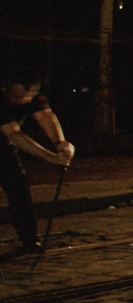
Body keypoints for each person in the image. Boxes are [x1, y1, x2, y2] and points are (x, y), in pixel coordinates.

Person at [0, 67, 74, 255]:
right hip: (6, 137)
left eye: (27, 98)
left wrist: (60, 143)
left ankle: (29, 240)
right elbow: (14, 135)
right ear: (5, 88)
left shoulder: (35, 97)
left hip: (3, 148)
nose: (21, 103)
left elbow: (46, 117)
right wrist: (51, 158)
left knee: (19, 188)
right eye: (16, 98)